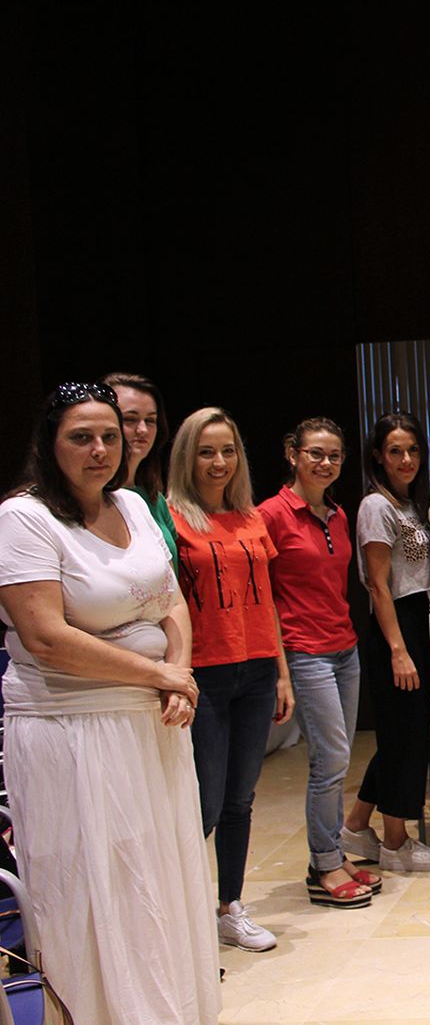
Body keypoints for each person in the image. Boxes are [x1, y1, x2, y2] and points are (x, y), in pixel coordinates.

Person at [0, 382, 220, 1023]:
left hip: (150, 725)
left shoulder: (130, 500)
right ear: (50, 443)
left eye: (109, 437)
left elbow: (171, 597)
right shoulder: (23, 518)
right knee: (98, 890)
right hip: (73, 729)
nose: (100, 450)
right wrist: (157, 677)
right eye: (81, 437)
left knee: (159, 882)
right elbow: (45, 637)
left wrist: (176, 671)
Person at [168, 407, 295, 950]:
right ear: (186, 457)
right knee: (203, 802)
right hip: (205, 674)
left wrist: (283, 675)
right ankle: (183, 910)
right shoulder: (171, 518)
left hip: (258, 669)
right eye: (206, 451)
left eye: (228, 451)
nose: (218, 462)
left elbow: (267, 602)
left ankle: (229, 907)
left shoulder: (251, 519)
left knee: (240, 799)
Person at [260, 416, 382, 907]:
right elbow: (264, 595)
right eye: (315, 453)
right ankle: (324, 865)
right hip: (303, 649)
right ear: (293, 453)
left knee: (339, 758)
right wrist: (280, 670)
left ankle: (331, 851)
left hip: (343, 646)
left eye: (334, 455)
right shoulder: (270, 514)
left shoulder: (336, 513)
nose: (325, 463)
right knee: (329, 760)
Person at [340, 412, 430, 872]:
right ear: (378, 457)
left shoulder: (409, 504)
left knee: (401, 736)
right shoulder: (376, 506)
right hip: (393, 626)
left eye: (413, 451)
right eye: (395, 451)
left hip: (413, 619)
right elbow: (379, 586)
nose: (406, 459)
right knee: (403, 738)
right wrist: (399, 650)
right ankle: (395, 843)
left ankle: (356, 824)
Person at [104, 371, 178, 563]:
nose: (143, 430)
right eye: (130, 419)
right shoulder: (92, 497)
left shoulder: (156, 499)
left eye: (150, 420)